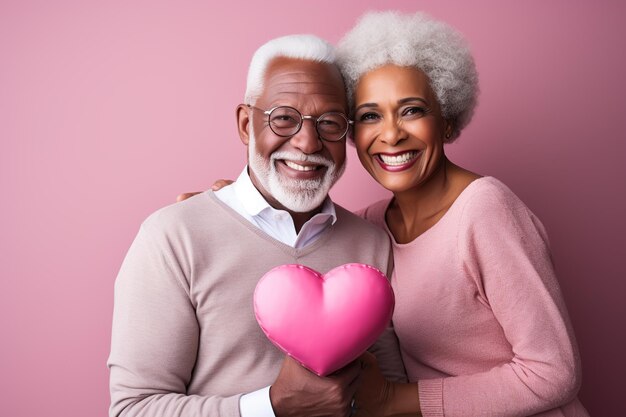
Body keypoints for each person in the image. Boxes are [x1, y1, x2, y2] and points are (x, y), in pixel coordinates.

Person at [107, 34, 405, 417]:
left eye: (329, 123)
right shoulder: (172, 238)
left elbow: (392, 398)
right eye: (284, 118)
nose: (307, 142)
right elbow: (133, 409)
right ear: (247, 125)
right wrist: (272, 406)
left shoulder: (372, 244)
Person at [333, 11, 589, 417]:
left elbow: (554, 372)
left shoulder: (485, 209)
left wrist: (394, 401)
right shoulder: (370, 227)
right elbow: (296, 240)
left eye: (412, 110)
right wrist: (229, 200)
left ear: (447, 123)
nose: (391, 133)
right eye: (369, 116)